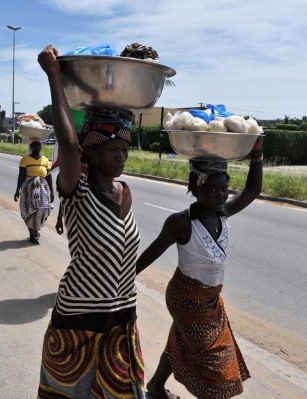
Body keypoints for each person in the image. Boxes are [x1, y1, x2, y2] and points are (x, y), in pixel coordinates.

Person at [37, 44, 145, 398]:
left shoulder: (125, 193)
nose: (121, 157)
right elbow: (68, 145)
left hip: (122, 320)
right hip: (77, 323)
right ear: (92, 150)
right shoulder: (76, 189)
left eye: (125, 150)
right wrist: (54, 75)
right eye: (113, 150)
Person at [136, 137, 263, 399]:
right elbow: (150, 254)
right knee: (217, 366)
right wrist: (120, 280)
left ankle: (156, 387)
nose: (220, 195)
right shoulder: (181, 223)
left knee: (180, 341)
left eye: (224, 189)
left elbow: (252, 191)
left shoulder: (223, 213)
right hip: (186, 298)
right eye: (212, 190)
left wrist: (257, 155)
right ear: (195, 187)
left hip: (211, 300)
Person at [13, 140, 54, 244]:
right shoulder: (25, 159)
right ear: (31, 146)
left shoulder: (45, 160)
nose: (37, 146)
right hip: (28, 188)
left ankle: (36, 229)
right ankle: (32, 235)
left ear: (41, 146)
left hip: (42, 188)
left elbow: (49, 177)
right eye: (34, 145)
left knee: (43, 209)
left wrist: (52, 192)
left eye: (39, 144)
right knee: (30, 211)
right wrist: (17, 190)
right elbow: (21, 175)